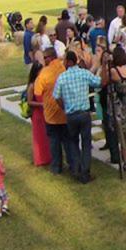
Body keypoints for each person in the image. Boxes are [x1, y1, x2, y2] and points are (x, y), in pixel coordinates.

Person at [53, 50, 103, 184]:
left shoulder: (62, 77)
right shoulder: (83, 73)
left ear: (68, 62)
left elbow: (56, 96)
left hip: (71, 115)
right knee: (86, 143)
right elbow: (98, 82)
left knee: (73, 142)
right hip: (84, 113)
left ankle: (76, 169)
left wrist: (63, 107)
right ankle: (85, 172)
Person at [33, 47, 69, 174]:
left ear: (50, 57)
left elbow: (37, 92)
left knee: (54, 142)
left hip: (50, 114)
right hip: (64, 111)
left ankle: (56, 167)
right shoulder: (63, 68)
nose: (43, 60)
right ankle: (72, 164)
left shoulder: (44, 73)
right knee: (67, 141)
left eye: (45, 58)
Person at [103, 45, 126, 169]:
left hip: (118, 106)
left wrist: (104, 65)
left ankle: (125, 160)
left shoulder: (113, 71)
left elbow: (103, 81)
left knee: (121, 135)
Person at [23, 62, 51, 167]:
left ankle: (48, 157)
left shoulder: (42, 82)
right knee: (39, 136)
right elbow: (30, 101)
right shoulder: (32, 85)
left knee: (46, 136)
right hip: (37, 113)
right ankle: (40, 159)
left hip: (45, 112)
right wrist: (41, 104)